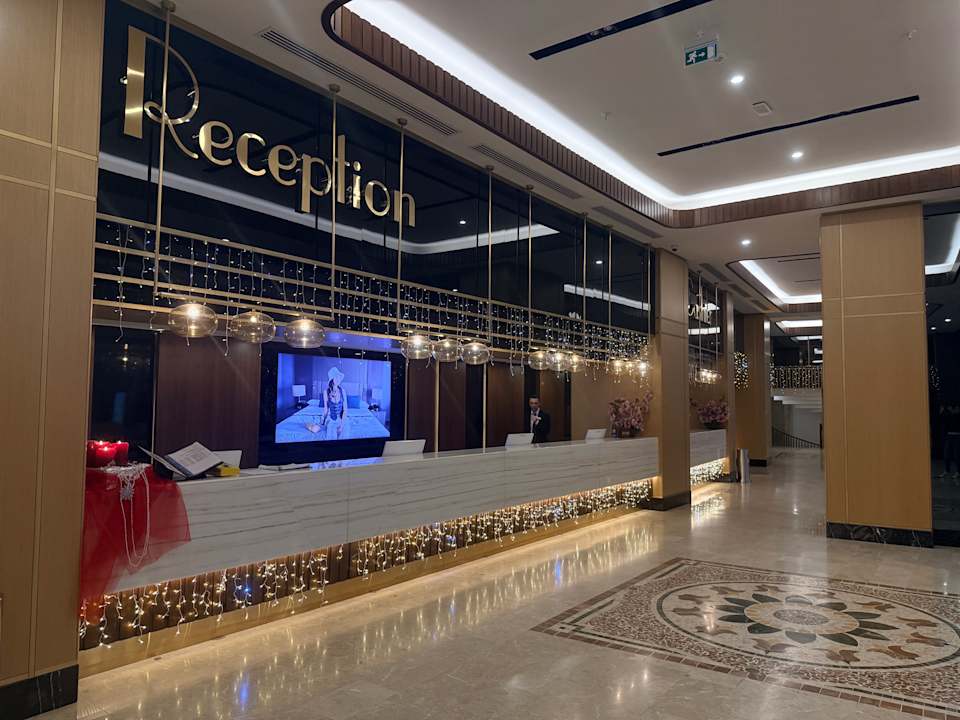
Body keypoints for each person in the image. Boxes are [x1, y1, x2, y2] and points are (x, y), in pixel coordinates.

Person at [322, 366, 347, 439]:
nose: (339, 379)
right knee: (331, 437)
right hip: (332, 420)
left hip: (342, 420)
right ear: (332, 379)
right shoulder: (326, 392)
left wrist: (341, 426)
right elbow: (326, 409)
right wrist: (323, 421)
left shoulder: (343, 391)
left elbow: (345, 410)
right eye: (336, 377)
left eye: (339, 377)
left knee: (344, 437)